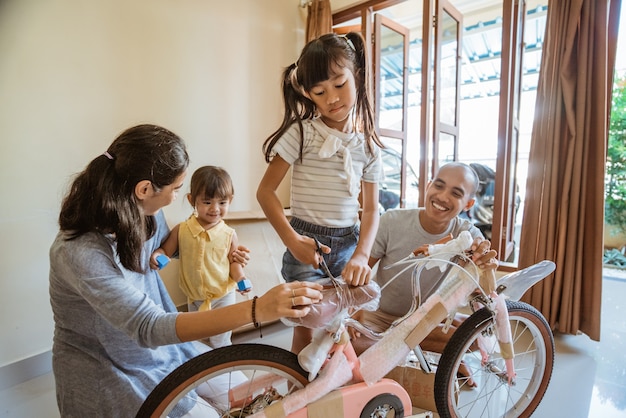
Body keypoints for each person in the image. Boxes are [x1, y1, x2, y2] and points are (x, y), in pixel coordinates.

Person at [49, 124, 323, 418]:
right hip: (113, 367)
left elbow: (174, 250)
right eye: (176, 189)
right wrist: (257, 309)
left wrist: (224, 252)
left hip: (168, 350)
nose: (175, 197)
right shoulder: (78, 253)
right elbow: (148, 327)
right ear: (144, 189)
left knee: (252, 397)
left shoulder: (145, 215)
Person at [256, 31, 383, 354]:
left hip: (348, 242)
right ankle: (298, 391)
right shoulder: (302, 133)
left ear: (356, 76)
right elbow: (266, 192)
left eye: (339, 84)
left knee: (344, 321)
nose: (332, 99)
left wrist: (361, 255)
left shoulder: (368, 145)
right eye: (319, 91)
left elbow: (370, 209)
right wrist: (292, 240)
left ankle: (334, 384)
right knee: (306, 324)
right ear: (307, 94)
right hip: (306, 241)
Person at [350, 162, 497, 360]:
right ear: (428, 186)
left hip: (425, 321)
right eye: (439, 185)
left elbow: (482, 290)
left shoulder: (468, 235)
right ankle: (429, 357)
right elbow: (361, 270)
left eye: (456, 193)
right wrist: (350, 313)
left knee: (479, 337)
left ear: (468, 204)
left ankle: (405, 353)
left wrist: (484, 265)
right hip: (379, 316)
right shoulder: (391, 221)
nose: (443, 196)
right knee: (348, 343)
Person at [152, 165, 250, 349]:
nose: (215, 209)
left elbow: (234, 263)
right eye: (207, 202)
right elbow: (165, 250)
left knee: (220, 341)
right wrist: (158, 256)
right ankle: (204, 372)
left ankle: (223, 369)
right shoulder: (182, 230)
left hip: (223, 295)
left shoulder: (229, 234)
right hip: (195, 297)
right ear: (192, 200)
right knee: (199, 338)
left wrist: (241, 279)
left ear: (230, 201)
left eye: (222, 203)